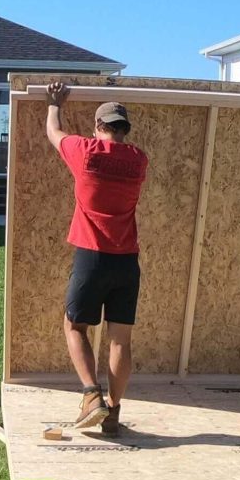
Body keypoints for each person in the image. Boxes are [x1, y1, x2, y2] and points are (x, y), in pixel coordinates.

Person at [45, 82, 148, 436]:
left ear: (98, 127)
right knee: (121, 340)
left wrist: (54, 103)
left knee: (74, 326)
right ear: (124, 129)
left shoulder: (85, 151)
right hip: (127, 262)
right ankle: (114, 413)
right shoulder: (138, 161)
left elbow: (54, 132)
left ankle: (92, 397)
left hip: (92, 257)